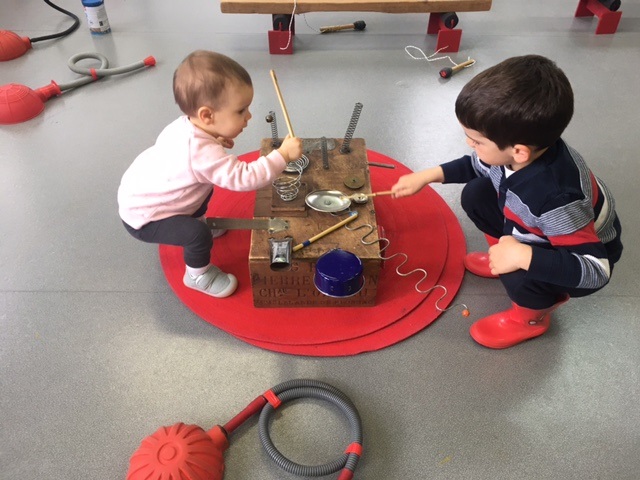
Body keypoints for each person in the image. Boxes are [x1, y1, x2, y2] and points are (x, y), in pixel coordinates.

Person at [391, 54, 623, 349]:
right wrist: (428, 176)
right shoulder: (517, 151)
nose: (469, 145)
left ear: (519, 152)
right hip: (540, 227)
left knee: (519, 275)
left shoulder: (556, 199)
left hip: (576, 255)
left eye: (476, 141)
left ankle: (529, 320)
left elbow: (596, 270)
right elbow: (476, 165)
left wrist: (521, 257)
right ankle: (504, 255)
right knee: (475, 193)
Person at [118, 50, 303, 298]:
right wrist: (282, 156)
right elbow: (246, 177)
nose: (249, 117)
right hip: (146, 218)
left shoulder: (186, 125)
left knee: (203, 189)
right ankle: (197, 275)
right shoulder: (200, 154)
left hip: (140, 194)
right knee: (197, 235)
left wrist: (214, 139)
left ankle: (194, 219)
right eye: (241, 111)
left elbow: (195, 156)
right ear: (207, 115)